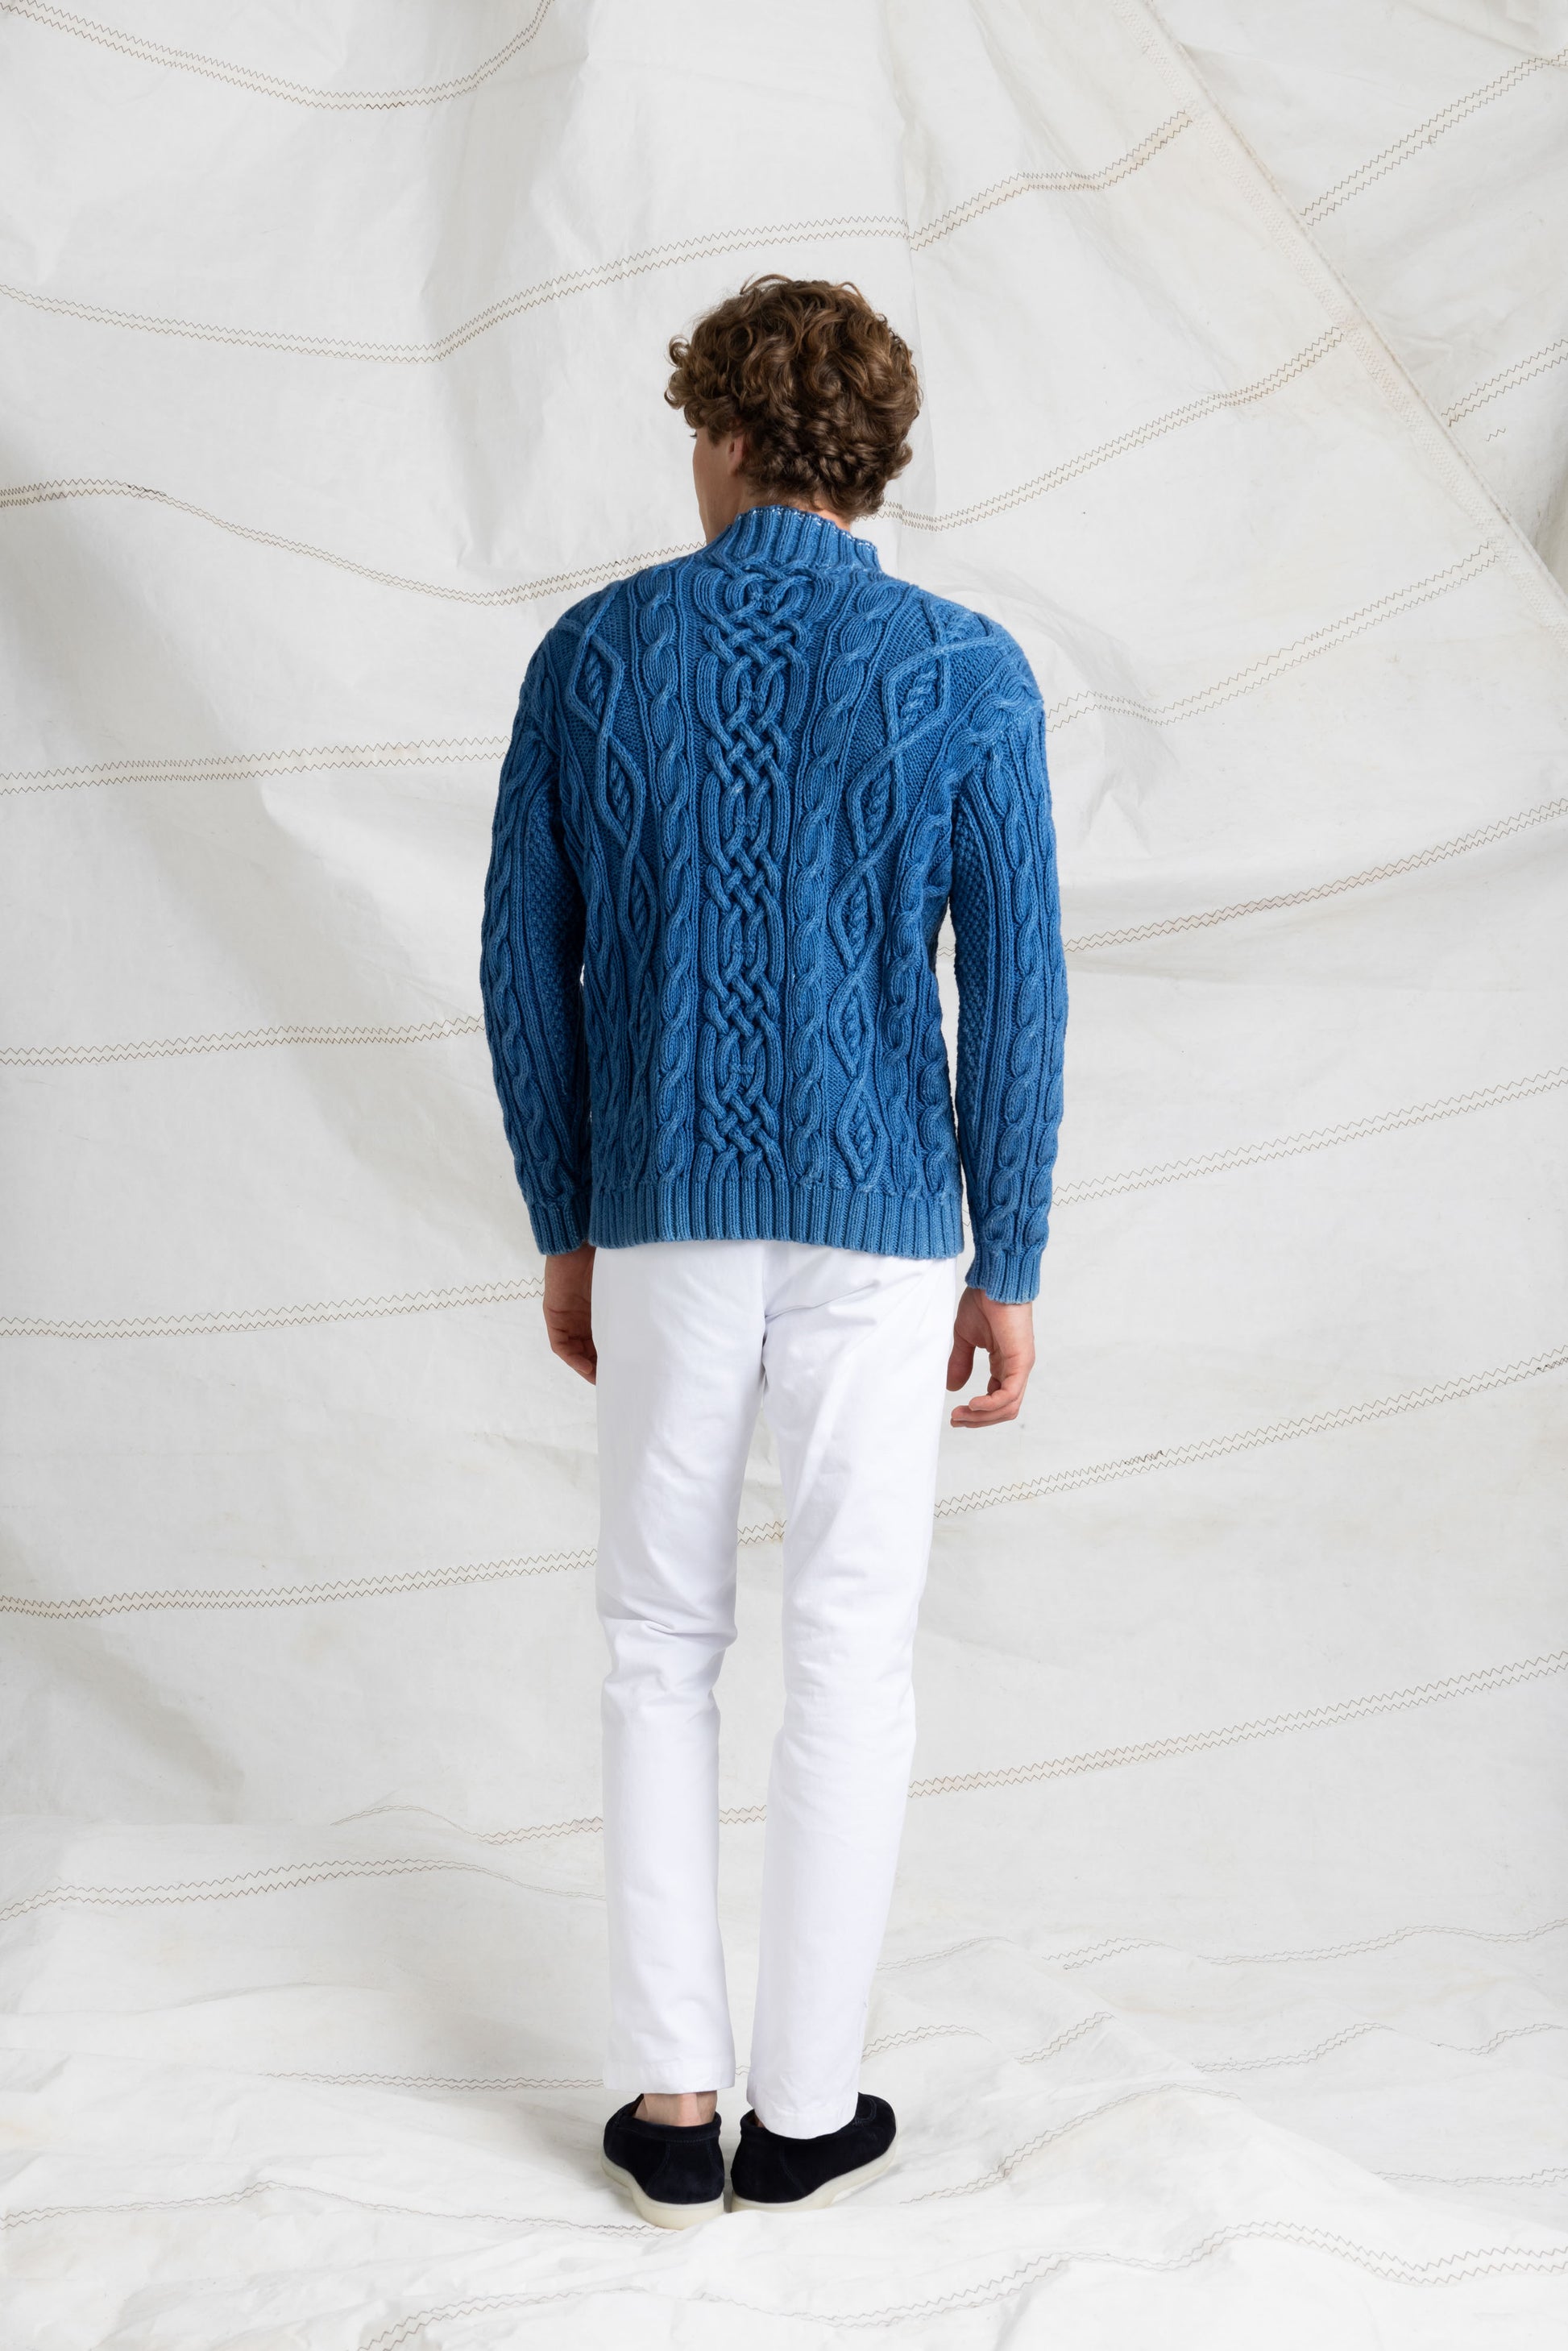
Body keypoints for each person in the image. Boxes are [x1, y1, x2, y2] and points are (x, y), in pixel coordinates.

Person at [480, 275, 1066, 2226]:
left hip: (659, 1209)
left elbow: (525, 966)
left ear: (724, 436)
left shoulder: (595, 653)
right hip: (882, 1227)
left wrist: (567, 1217)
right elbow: (1019, 990)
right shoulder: (964, 666)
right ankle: (806, 2111)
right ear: (868, 457)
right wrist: (1010, 1251)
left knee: (659, 1640)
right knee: (849, 1648)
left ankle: (674, 2106)